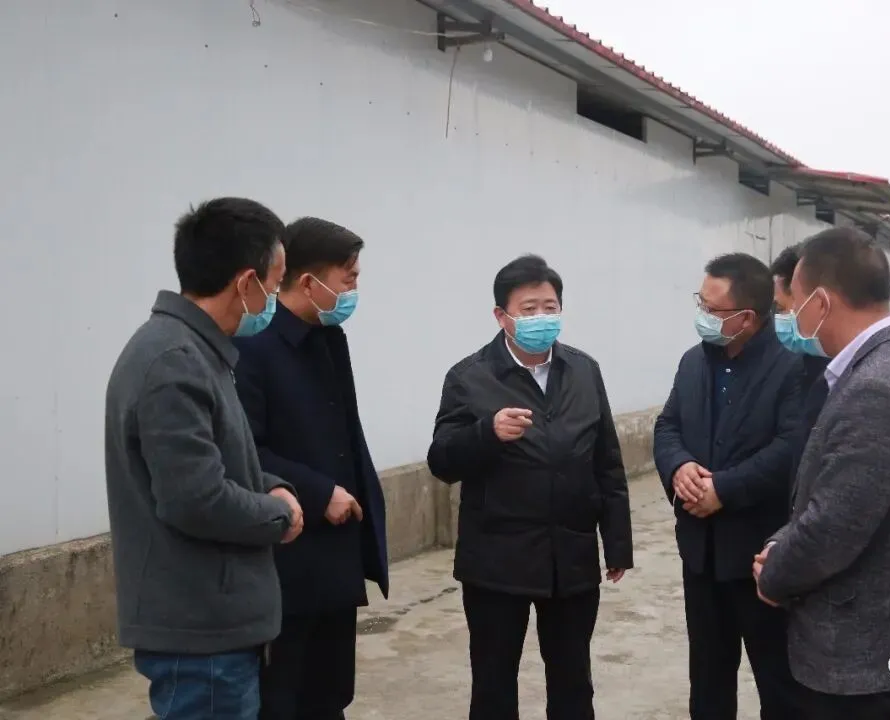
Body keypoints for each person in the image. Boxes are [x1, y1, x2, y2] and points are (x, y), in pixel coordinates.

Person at [104, 197, 304, 720]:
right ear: (246, 283)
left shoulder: (196, 351)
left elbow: (220, 460)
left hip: (213, 624)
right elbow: (195, 498)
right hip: (201, 634)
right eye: (274, 287)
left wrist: (271, 483)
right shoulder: (174, 362)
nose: (274, 302)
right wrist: (278, 514)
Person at [754, 227, 890, 720]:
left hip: (861, 657)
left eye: (795, 303)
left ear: (821, 302)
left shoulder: (878, 388)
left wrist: (775, 574)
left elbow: (835, 526)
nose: (792, 317)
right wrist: (783, 541)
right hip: (887, 640)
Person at [426, 254, 633, 720]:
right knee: (494, 682)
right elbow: (442, 461)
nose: (542, 317)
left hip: (571, 556)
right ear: (502, 316)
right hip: (497, 561)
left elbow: (607, 461)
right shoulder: (469, 377)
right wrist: (486, 432)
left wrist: (617, 543)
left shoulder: (583, 370)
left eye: (549, 307)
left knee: (573, 680)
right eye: (529, 308)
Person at [232, 217, 390, 720]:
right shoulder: (253, 348)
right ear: (308, 282)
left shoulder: (329, 337)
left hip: (337, 555)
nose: (354, 290)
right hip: (288, 555)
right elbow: (245, 451)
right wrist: (321, 493)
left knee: (330, 694)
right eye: (349, 278)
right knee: (284, 696)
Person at [653, 253, 805, 719]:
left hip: (761, 558)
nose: (702, 314)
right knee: (708, 682)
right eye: (700, 301)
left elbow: (792, 448)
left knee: (779, 685)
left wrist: (725, 489)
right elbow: (668, 426)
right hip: (701, 555)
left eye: (712, 308)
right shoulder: (693, 363)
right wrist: (679, 467)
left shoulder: (793, 367)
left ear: (747, 318)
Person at [770, 243, 831, 501]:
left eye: (781, 309)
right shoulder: (803, 363)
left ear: (817, 302)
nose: (778, 320)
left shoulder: (865, 381)